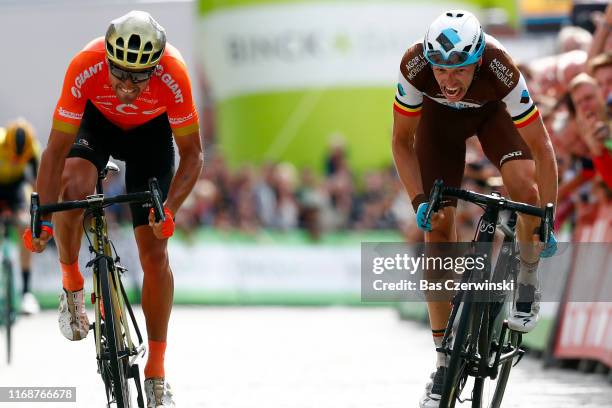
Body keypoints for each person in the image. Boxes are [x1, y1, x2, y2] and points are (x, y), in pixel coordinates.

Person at [23, 10, 203, 407]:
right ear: (107, 58)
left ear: (155, 68)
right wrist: (42, 219)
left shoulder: (174, 74)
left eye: (139, 76)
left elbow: (193, 156)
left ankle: (156, 370)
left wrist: (169, 209)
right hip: (96, 126)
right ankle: (72, 283)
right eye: (119, 73)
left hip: (151, 139)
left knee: (155, 254)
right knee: (74, 186)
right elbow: (53, 153)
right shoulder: (85, 66)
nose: (126, 85)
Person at [391, 10, 558, 407]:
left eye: (460, 71)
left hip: (491, 117)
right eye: (441, 71)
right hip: (438, 129)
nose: (448, 81)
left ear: (478, 61)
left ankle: (528, 280)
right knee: (439, 226)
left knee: (523, 187)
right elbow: (401, 142)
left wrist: (546, 214)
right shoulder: (414, 66)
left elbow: (543, 148)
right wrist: (418, 201)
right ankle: (442, 364)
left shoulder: (500, 68)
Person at [0, 119, 41, 315]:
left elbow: (36, 185)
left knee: (25, 225)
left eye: (20, 157)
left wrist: (38, 214)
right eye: (13, 156)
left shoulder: (33, 149)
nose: (17, 160)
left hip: (15, 186)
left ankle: (26, 292)